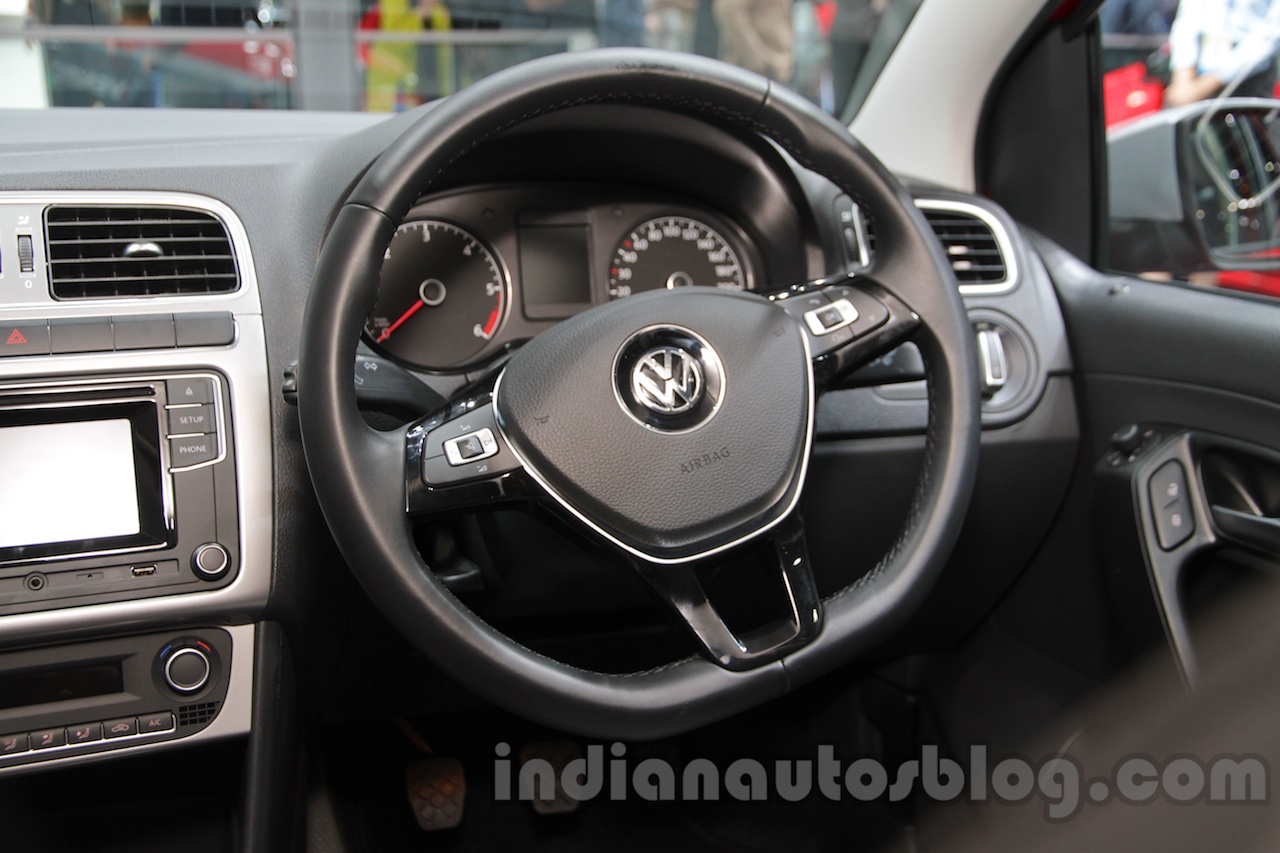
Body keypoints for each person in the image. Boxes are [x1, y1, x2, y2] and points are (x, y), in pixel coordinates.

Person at [1165, 0, 1280, 106]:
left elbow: (1272, 32)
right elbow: (1187, 20)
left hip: (1250, 75)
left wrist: (1206, 85)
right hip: (1196, 74)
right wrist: (1184, 78)